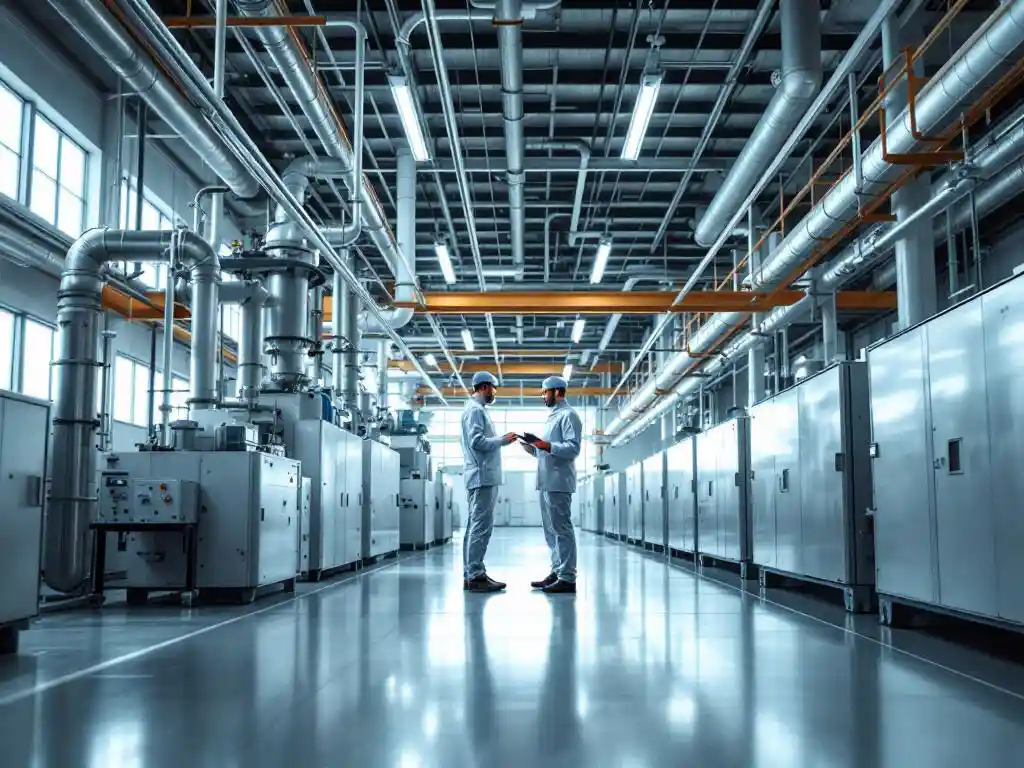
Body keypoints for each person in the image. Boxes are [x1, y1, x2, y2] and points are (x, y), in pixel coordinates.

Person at [520, 375, 582, 594]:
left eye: (545, 392)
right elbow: (549, 450)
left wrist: (544, 445)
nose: (543, 397)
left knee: (562, 529)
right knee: (550, 531)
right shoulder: (553, 417)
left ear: (557, 392)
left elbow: (572, 449)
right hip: (547, 481)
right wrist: (533, 448)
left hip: (559, 482)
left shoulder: (569, 416)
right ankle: (557, 571)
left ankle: (567, 577)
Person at [461, 370, 518, 593]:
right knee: (481, 527)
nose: (495, 393)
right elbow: (477, 442)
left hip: (480, 476)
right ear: (484, 387)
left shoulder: (475, 410)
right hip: (482, 477)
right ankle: (475, 575)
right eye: (494, 388)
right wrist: (502, 441)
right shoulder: (475, 411)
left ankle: (471, 574)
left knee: (474, 527)